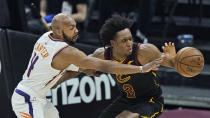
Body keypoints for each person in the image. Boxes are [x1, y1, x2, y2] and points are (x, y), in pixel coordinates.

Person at [11, 13, 162, 118]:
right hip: (27, 99)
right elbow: (106, 66)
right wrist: (141, 68)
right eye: (71, 28)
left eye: (75, 26)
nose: (76, 31)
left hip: (39, 97)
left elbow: (67, 65)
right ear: (58, 31)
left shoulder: (47, 36)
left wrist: (82, 70)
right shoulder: (67, 52)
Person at [90, 15, 177, 118]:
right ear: (113, 43)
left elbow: (174, 65)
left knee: (124, 117)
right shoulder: (102, 55)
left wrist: (173, 58)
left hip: (151, 101)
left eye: (130, 39)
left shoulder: (145, 51)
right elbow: (80, 63)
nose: (129, 43)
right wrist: (68, 70)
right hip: (126, 100)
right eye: (124, 41)